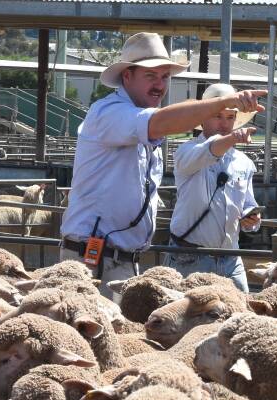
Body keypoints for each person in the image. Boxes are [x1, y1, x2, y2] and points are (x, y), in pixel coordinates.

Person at [58, 33, 265, 296]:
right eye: (150, 76)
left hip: (121, 258)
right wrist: (227, 102)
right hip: (94, 259)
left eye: (165, 77)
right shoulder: (109, 112)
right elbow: (161, 122)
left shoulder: (241, 161)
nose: (159, 85)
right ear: (127, 77)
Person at [165, 83, 261, 292]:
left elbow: (248, 205)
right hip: (191, 258)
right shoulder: (186, 151)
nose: (225, 124)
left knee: (241, 316)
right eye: (217, 116)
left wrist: (251, 219)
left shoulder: (243, 162)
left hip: (231, 257)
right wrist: (233, 138)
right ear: (203, 118)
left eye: (230, 117)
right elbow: (209, 151)